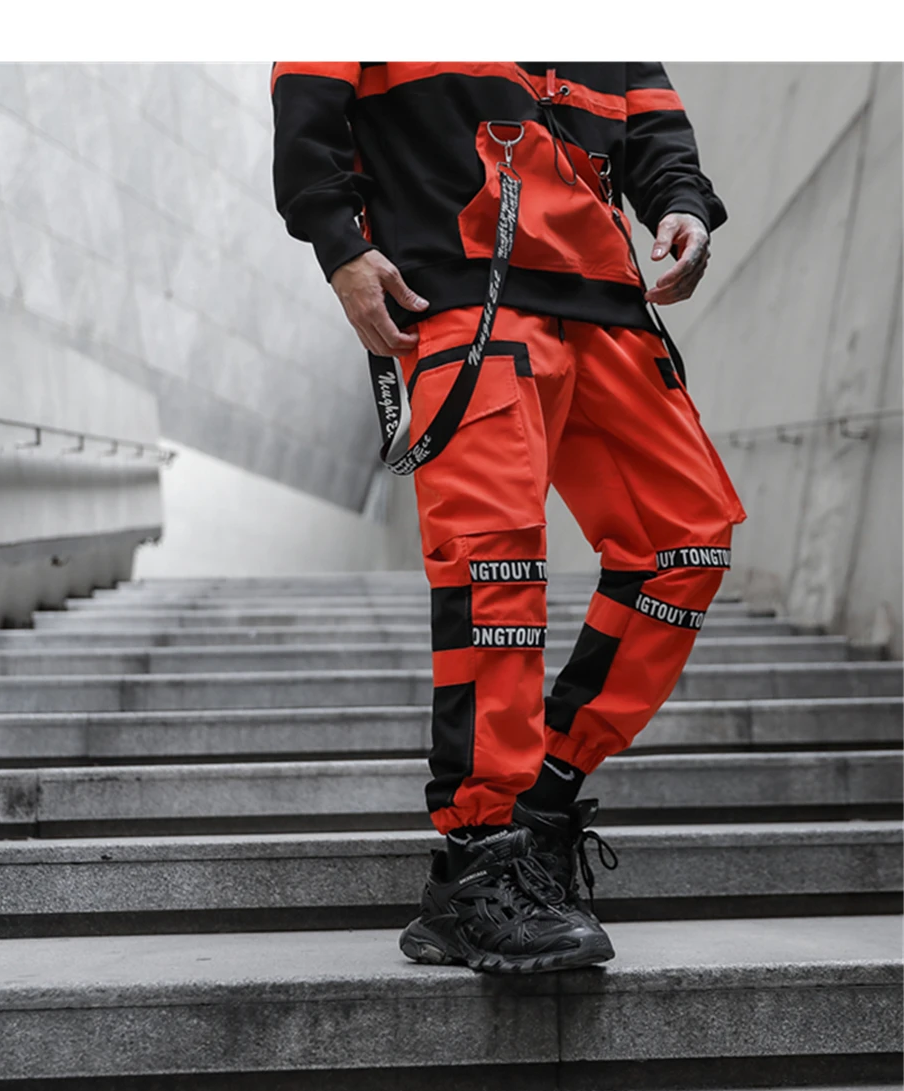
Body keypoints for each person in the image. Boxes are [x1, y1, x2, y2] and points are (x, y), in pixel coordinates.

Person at [271, 62, 746, 975]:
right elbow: (308, 97)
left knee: (686, 541)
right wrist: (340, 244)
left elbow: (653, 124)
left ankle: (544, 806)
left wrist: (680, 204)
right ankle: (477, 863)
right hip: (462, 293)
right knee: (495, 571)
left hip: (609, 304)